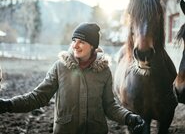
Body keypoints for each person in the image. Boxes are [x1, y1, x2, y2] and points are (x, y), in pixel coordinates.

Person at [0, 22, 145, 134]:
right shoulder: (60, 67)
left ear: (93, 46)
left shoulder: (103, 72)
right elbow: (38, 97)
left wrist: (129, 117)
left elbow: (110, 105)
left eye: (81, 41)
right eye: (74, 40)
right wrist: (8, 105)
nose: (75, 45)